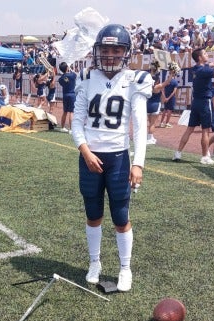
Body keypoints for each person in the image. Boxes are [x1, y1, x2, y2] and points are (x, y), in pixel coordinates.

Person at [71, 24, 153, 292]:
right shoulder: (85, 76)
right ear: (97, 51)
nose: (109, 55)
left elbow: (140, 126)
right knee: (93, 213)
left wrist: (138, 162)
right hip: (90, 157)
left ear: (125, 53)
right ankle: (95, 263)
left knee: (120, 215)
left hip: (118, 157)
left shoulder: (134, 80)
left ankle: (125, 268)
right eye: (105, 49)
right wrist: (85, 151)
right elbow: (77, 122)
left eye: (116, 50)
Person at [146, 61, 173, 143]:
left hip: (147, 105)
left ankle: (150, 136)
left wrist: (152, 70)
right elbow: (167, 82)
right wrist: (171, 73)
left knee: (150, 122)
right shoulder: (158, 86)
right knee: (153, 123)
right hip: (155, 105)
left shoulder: (147, 86)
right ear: (157, 80)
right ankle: (150, 139)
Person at [57, 61, 76, 133]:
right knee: (71, 112)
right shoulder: (72, 75)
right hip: (72, 95)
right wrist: (69, 69)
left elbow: (64, 80)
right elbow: (74, 74)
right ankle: (71, 129)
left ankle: (62, 127)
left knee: (65, 111)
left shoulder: (61, 78)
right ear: (67, 68)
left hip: (65, 95)